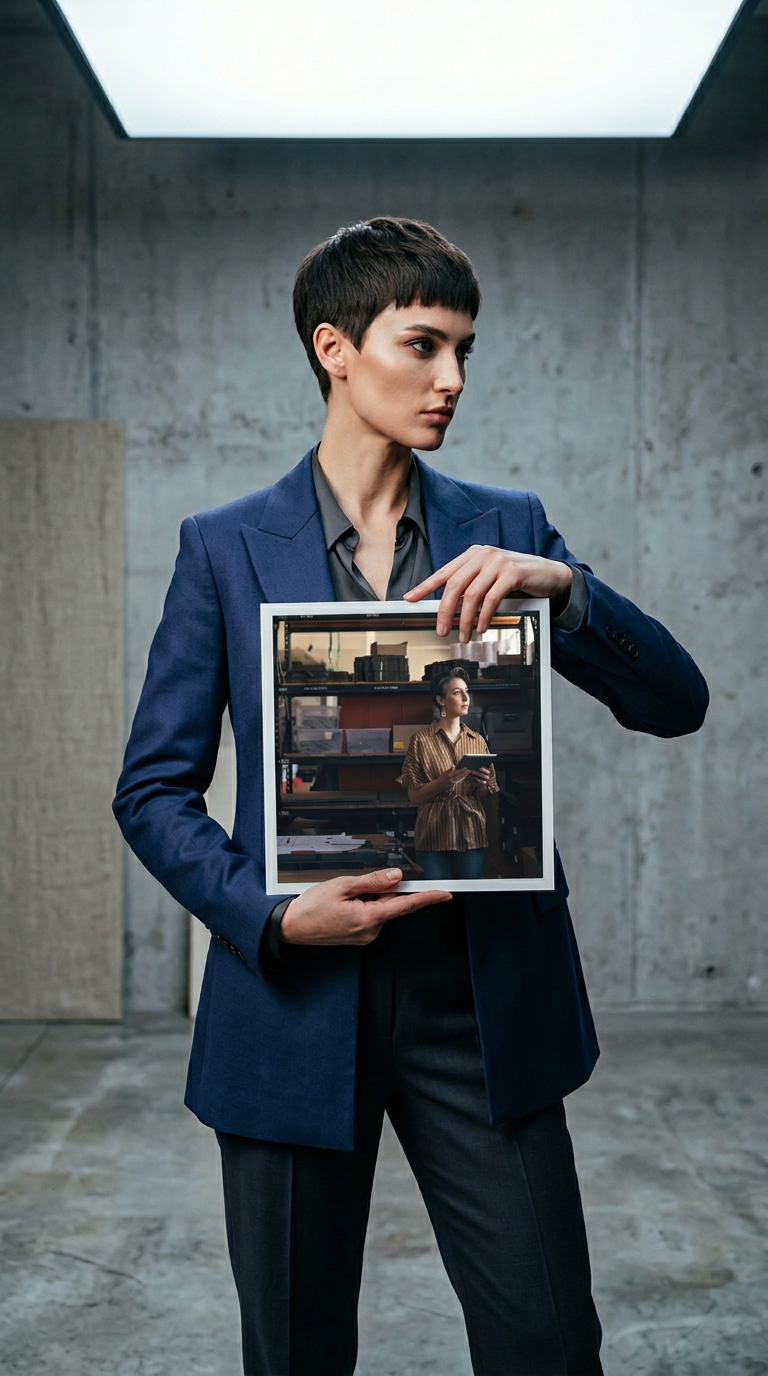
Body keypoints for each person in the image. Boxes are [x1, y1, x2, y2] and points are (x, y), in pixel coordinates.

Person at [113, 217, 708, 1376]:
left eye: (466, 352)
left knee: (546, 1340)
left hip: (483, 1001)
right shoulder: (223, 548)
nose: (452, 380)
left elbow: (676, 702)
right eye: (424, 344)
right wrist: (274, 915)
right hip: (293, 1000)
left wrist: (567, 591)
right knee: (294, 1351)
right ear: (334, 347)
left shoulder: (513, 529)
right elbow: (151, 790)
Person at [398, 667, 498, 880]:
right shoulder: (421, 741)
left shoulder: (477, 740)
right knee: (436, 901)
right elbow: (413, 796)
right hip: (433, 833)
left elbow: (485, 793)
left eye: (466, 691)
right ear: (441, 700)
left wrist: (482, 785)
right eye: (456, 692)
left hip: (471, 831)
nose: (465, 697)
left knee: (469, 902)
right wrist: (441, 783)